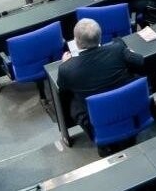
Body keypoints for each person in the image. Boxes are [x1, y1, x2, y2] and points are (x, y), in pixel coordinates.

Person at [57, 19, 144, 151]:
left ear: (76, 42)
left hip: (97, 114)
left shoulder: (66, 69)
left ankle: (96, 134)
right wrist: (128, 51)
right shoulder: (118, 48)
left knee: (73, 104)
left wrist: (65, 63)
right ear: (100, 36)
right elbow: (140, 62)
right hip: (126, 104)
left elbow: (62, 87)